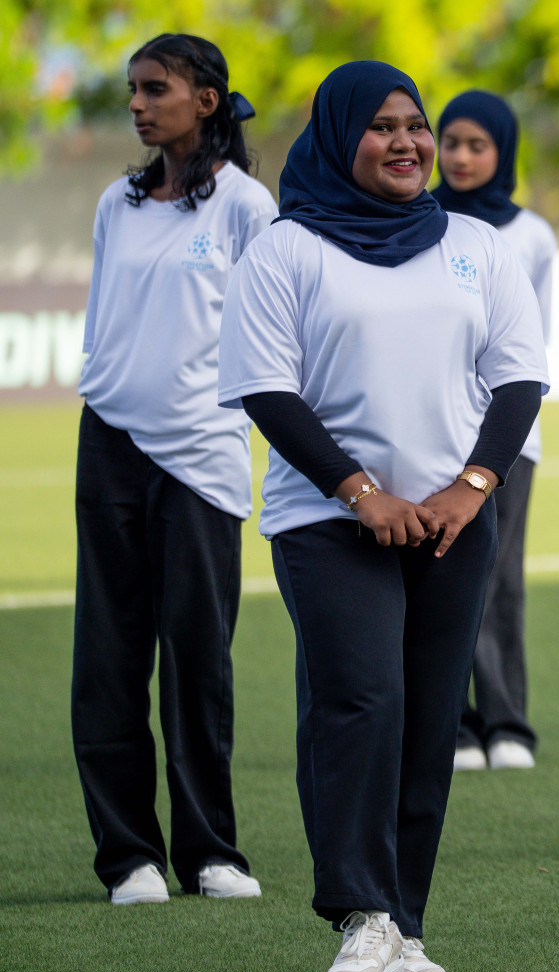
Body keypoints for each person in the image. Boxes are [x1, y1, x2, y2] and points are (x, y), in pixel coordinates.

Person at [218, 61, 547, 972]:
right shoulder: (285, 251)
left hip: (452, 523)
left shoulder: (477, 244)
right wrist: (363, 494)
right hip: (329, 520)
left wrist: (471, 489)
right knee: (360, 701)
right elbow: (267, 389)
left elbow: (518, 376)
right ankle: (362, 916)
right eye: (383, 126)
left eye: (416, 125)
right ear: (338, 137)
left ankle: (405, 924)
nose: (407, 142)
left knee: (430, 719)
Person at [72, 32, 273, 908]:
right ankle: (128, 857)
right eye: (133, 89)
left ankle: (209, 852)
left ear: (207, 100)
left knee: (198, 660)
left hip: (202, 458)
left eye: (156, 88)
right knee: (108, 656)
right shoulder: (116, 204)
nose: (138, 104)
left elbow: (268, 334)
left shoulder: (247, 207)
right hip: (110, 445)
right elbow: (102, 325)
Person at [431, 90, 557, 774]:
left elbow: (534, 340)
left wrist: (510, 416)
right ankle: (451, 725)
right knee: (441, 573)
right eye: (451, 142)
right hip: (435, 428)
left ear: (502, 152)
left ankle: (507, 723)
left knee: (499, 577)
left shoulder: (530, 234)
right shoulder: (415, 221)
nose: (460, 156)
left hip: (508, 434)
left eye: (477, 145)